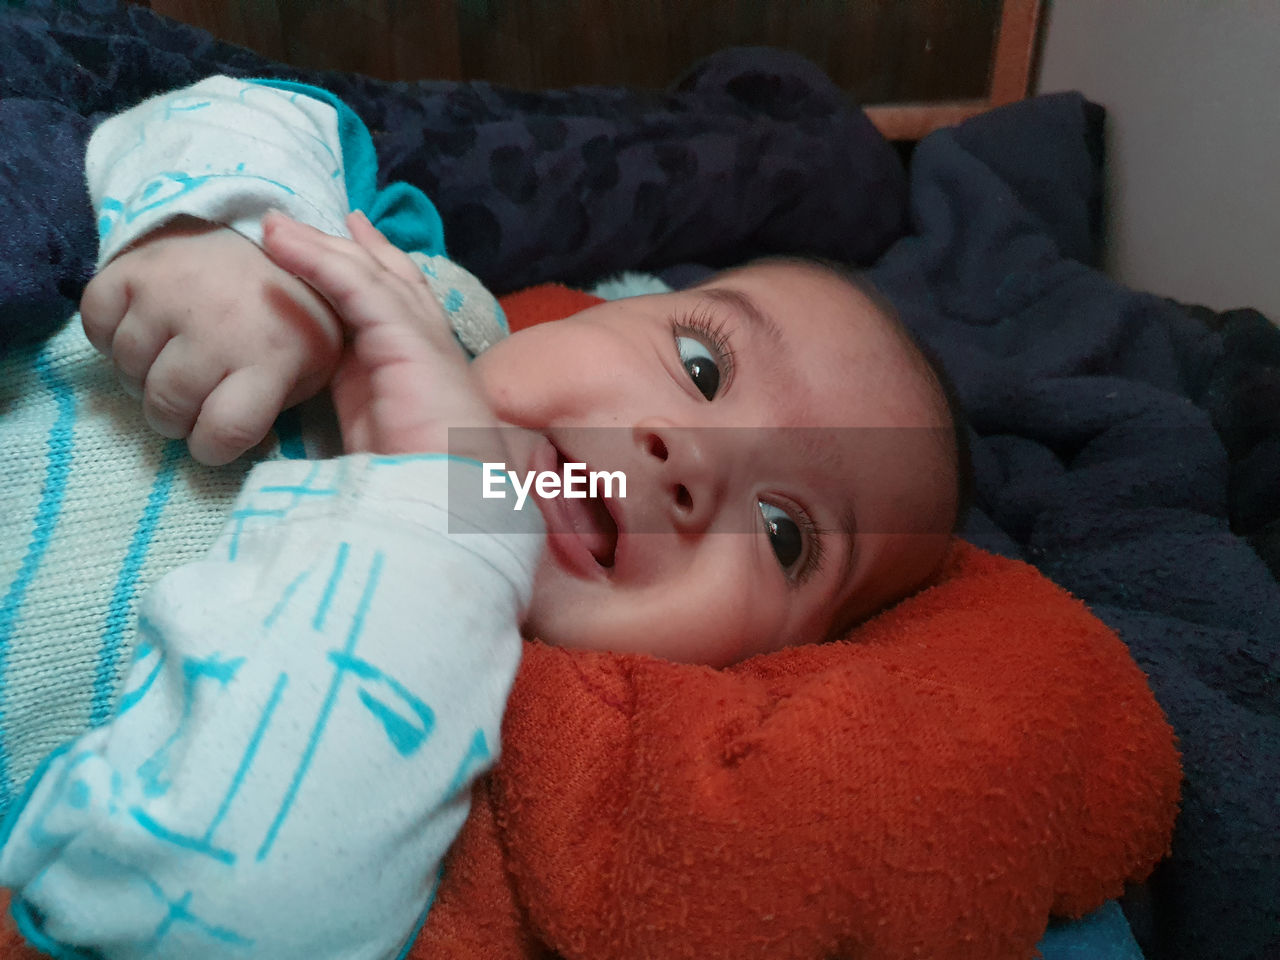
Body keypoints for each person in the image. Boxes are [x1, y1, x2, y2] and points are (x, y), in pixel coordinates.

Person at [0, 76, 960, 958]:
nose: (690, 462)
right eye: (703, 369)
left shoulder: (456, 760)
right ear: (597, 306)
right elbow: (250, 112)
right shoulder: (434, 303)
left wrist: (435, 511)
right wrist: (233, 240)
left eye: (786, 534)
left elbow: (218, 916)